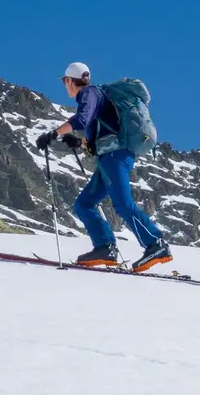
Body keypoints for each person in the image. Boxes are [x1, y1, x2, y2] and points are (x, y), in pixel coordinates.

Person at [41, 61, 171, 271]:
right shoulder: (97, 96)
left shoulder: (89, 93)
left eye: (64, 81)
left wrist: (54, 134)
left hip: (115, 157)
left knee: (122, 203)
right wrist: (80, 142)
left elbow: (82, 120)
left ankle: (156, 244)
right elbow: (103, 132)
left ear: (69, 80)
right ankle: (104, 247)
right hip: (108, 159)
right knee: (84, 204)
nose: (65, 86)